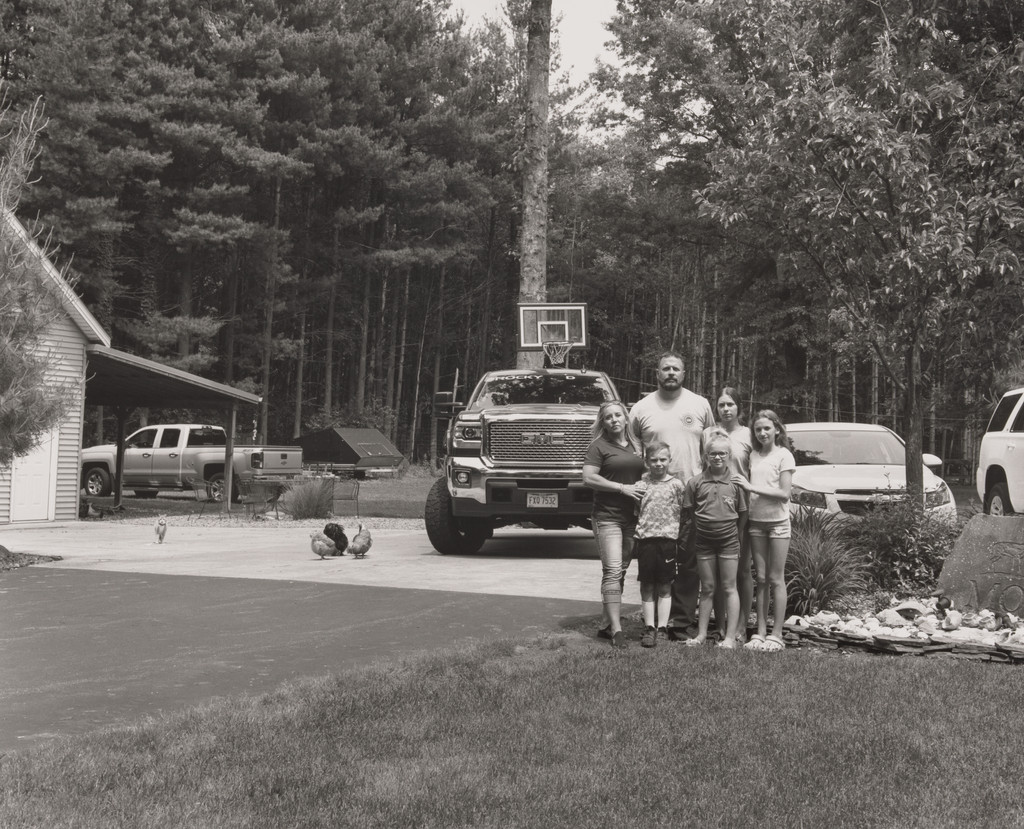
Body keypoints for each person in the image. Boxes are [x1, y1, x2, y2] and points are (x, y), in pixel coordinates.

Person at [629, 352, 715, 640]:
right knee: (656, 561)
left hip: (691, 493)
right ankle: (654, 622)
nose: (670, 373)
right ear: (657, 373)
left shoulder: (699, 405)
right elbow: (631, 451)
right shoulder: (641, 408)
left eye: (675, 369)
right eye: (665, 368)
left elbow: (712, 445)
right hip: (654, 496)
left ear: (684, 373)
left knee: (688, 560)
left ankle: (679, 621)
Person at [582, 400, 645, 649]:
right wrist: (622, 488)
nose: (614, 420)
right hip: (607, 516)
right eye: (608, 417)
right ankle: (617, 630)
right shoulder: (598, 447)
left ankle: (606, 623)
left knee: (621, 570)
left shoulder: (637, 446)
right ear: (603, 422)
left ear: (626, 418)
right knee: (612, 569)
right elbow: (588, 478)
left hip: (633, 517)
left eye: (618, 415)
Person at [734, 409, 795, 653]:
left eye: (767, 428)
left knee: (775, 578)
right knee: (760, 579)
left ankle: (776, 635)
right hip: (756, 523)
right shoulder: (754, 456)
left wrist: (751, 487)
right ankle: (759, 632)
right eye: (758, 429)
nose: (762, 433)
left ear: (777, 430)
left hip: (778, 523)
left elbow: (784, 494)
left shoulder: (784, 455)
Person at [683, 434, 748, 649]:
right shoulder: (695, 482)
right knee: (708, 587)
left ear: (729, 456)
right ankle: (701, 634)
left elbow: (743, 514)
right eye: (713, 453)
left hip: (729, 541)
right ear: (706, 456)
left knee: (730, 587)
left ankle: (730, 638)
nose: (718, 457)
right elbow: (692, 512)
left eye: (722, 453)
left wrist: (735, 535)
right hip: (704, 542)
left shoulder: (737, 483)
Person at [703, 387, 753, 642]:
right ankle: (720, 626)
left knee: (742, 571)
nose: (725, 409)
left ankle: (741, 626)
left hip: (742, 509)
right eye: (721, 405)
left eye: (730, 404)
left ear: (739, 407)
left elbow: (755, 470)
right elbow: (702, 468)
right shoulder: (707, 434)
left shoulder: (748, 435)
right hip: (715, 509)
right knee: (720, 573)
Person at [633, 441, 686, 648]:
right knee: (647, 584)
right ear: (646, 462)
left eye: (663, 459)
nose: (658, 464)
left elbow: (683, 511)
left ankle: (662, 627)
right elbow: (637, 509)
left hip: (668, 541)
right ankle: (649, 627)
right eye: (653, 460)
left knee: (665, 584)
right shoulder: (641, 484)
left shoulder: (677, 485)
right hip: (646, 539)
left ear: (669, 460)